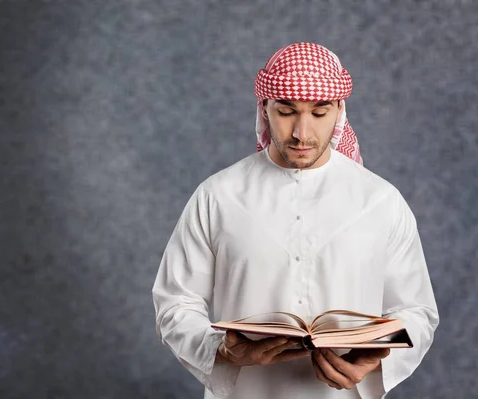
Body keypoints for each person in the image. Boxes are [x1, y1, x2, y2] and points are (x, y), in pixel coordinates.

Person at [152, 42, 438, 398]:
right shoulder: (217, 196)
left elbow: (416, 310)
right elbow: (175, 301)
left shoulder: (381, 201)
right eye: (287, 112)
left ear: (339, 112)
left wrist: (377, 361)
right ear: (265, 109)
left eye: (319, 113)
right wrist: (220, 349)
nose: (302, 133)